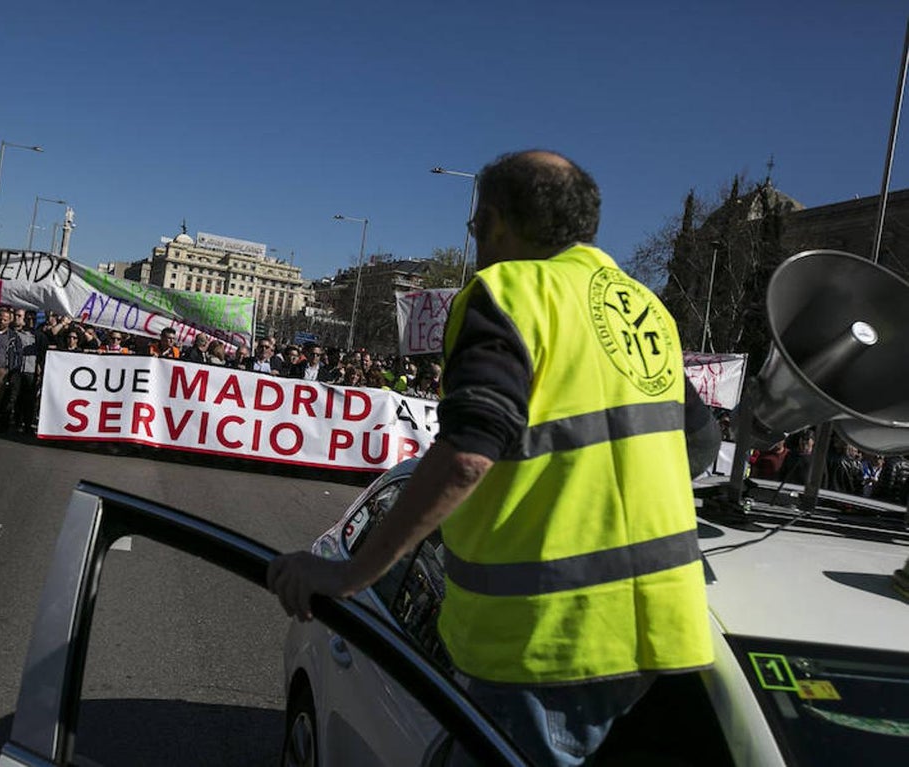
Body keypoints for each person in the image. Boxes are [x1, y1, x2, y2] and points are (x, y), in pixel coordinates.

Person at [267, 150, 719, 767]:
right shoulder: (645, 311)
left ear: (499, 222)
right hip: (658, 637)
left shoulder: (506, 292)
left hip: (544, 642)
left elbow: (466, 456)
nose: (474, 237)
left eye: (477, 224)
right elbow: (696, 446)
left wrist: (349, 576)